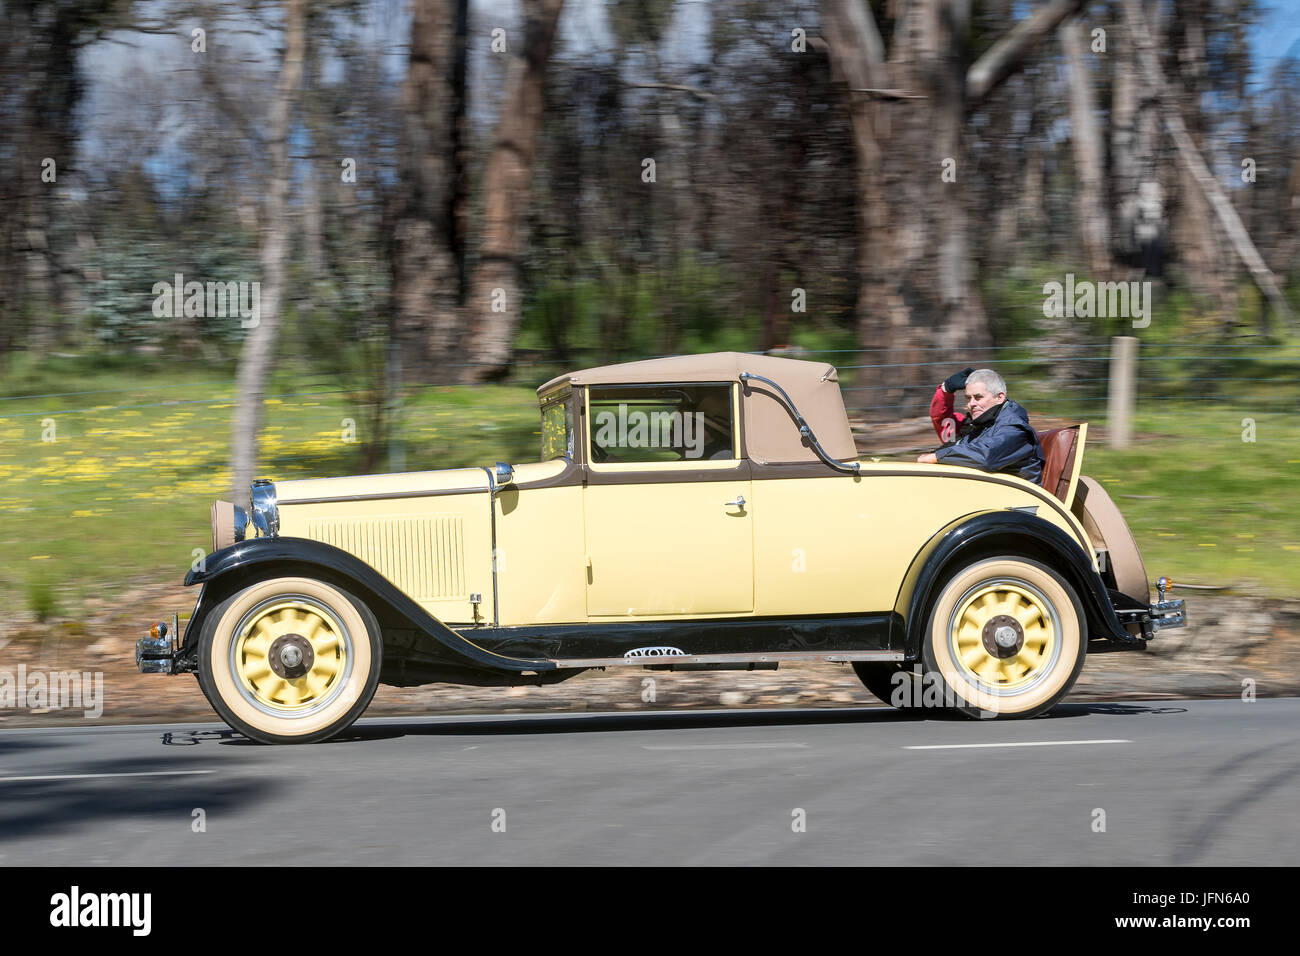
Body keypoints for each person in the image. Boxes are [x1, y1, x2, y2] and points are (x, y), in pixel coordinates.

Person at [915, 367, 1044, 484]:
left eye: (978, 397)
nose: (971, 403)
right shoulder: (977, 425)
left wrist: (937, 456)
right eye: (968, 398)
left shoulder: (1014, 429)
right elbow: (942, 422)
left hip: (1017, 503)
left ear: (999, 397)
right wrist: (945, 389)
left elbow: (986, 456)